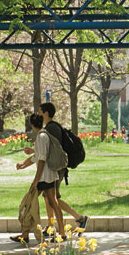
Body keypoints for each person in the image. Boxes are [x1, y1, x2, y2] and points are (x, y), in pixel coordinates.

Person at [23, 103, 88, 235]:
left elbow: (52, 150)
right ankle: (52, 226)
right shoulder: (50, 128)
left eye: (40, 111)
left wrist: (35, 153)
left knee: (53, 199)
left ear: (46, 113)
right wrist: (34, 151)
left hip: (55, 168)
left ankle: (78, 219)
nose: (38, 114)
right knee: (49, 198)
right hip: (54, 167)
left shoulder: (51, 128)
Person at [14, 113, 65, 242]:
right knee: (34, 204)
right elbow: (36, 157)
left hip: (45, 177)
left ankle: (62, 234)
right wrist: (23, 164)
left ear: (31, 124)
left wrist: (35, 180)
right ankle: (25, 235)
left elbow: (41, 159)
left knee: (49, 204)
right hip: (46, 176)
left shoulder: (42, 137)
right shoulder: (43, 136)